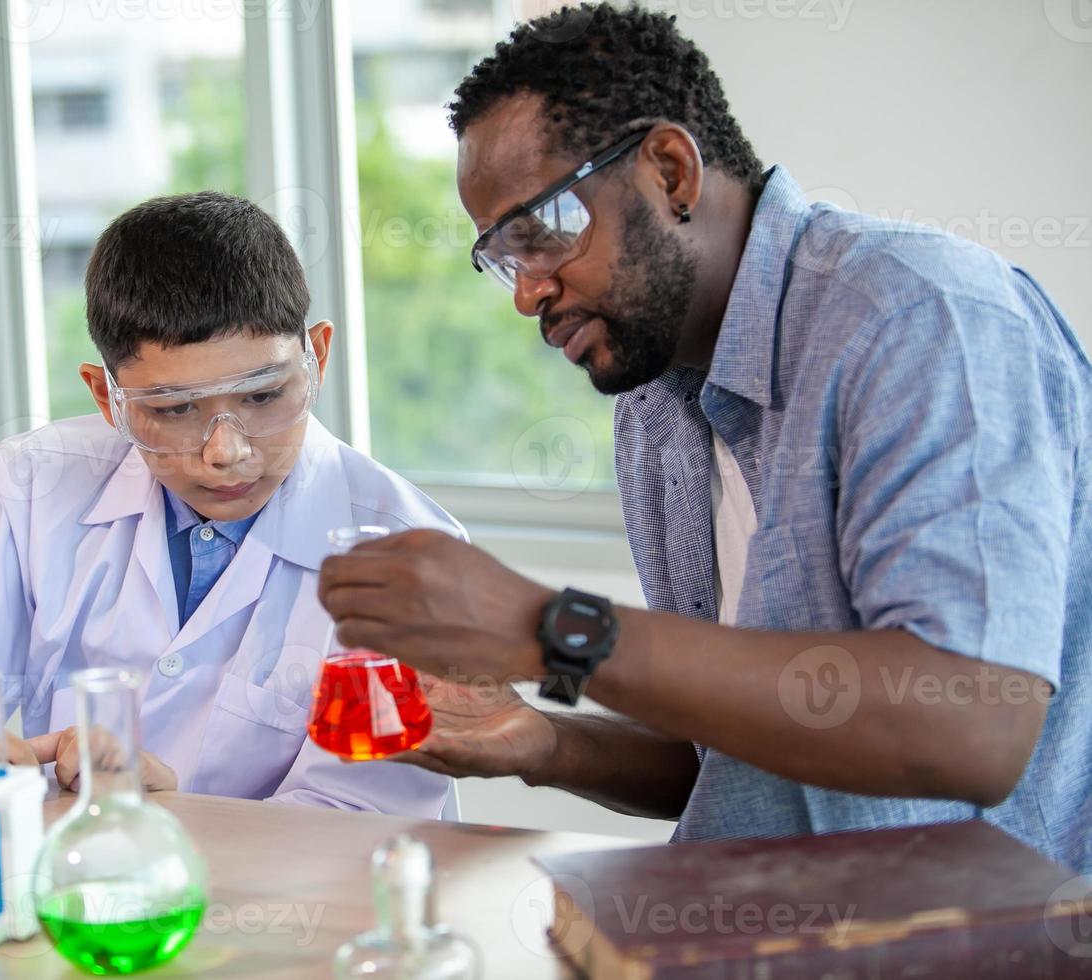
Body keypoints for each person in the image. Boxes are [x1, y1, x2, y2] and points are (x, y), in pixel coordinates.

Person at [318, 3, 1091, 873]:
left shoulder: (921, 321)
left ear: (670, 170)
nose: (525, 294)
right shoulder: (654, 409)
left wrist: (549, 627)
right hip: (755, 928)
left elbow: (972, 728)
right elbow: (726, 753)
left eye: (541, 234)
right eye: (503, 257)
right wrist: (539, 742)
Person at [0, 191, 458, 818]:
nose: (225, 452)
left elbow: (366, 821)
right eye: (174, 410)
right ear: (106, 398)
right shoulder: (45, 486)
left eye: (263, 396)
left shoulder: (406, 556)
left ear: (315, 356)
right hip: (85, 896)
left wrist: (175, 816)